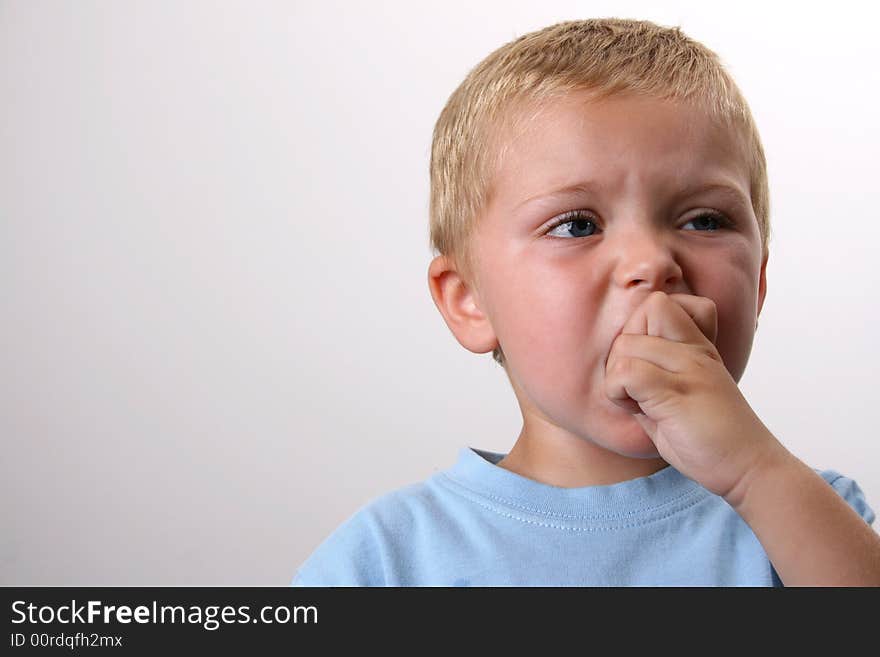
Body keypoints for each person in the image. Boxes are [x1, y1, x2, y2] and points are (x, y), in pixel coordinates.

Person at [290, 17, 879, 586]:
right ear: (469, 301)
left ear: (757, 284)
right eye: (576, 226)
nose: (652, 262)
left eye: (704, 219)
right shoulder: (385, 562)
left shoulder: (812, 523)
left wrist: (755, 473)